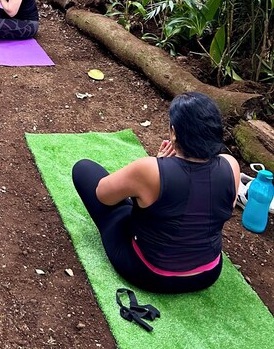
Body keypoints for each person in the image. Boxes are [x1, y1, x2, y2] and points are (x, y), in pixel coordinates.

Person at [71, 92, 241, 293]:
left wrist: (155, 171)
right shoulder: (231, 166)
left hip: (150, 274)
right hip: (207, 274)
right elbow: (213, 208)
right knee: (152, 203)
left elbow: (103, 195)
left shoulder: (149, 170)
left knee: (84, 169)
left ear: (174, 132)